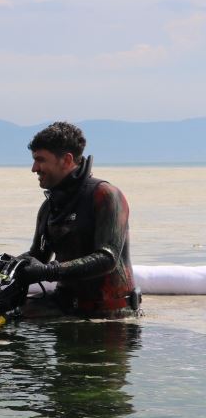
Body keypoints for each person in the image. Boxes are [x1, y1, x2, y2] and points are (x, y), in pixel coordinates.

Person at [17, 121, 139, 318]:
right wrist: (2, 268)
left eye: (40, 160)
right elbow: (38, 256)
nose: (34, 168)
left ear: (66, 160)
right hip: (66, 308)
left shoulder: (106, 195)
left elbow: (107, 258)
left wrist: (48, 272)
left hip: (112, 315)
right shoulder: (50, 207)